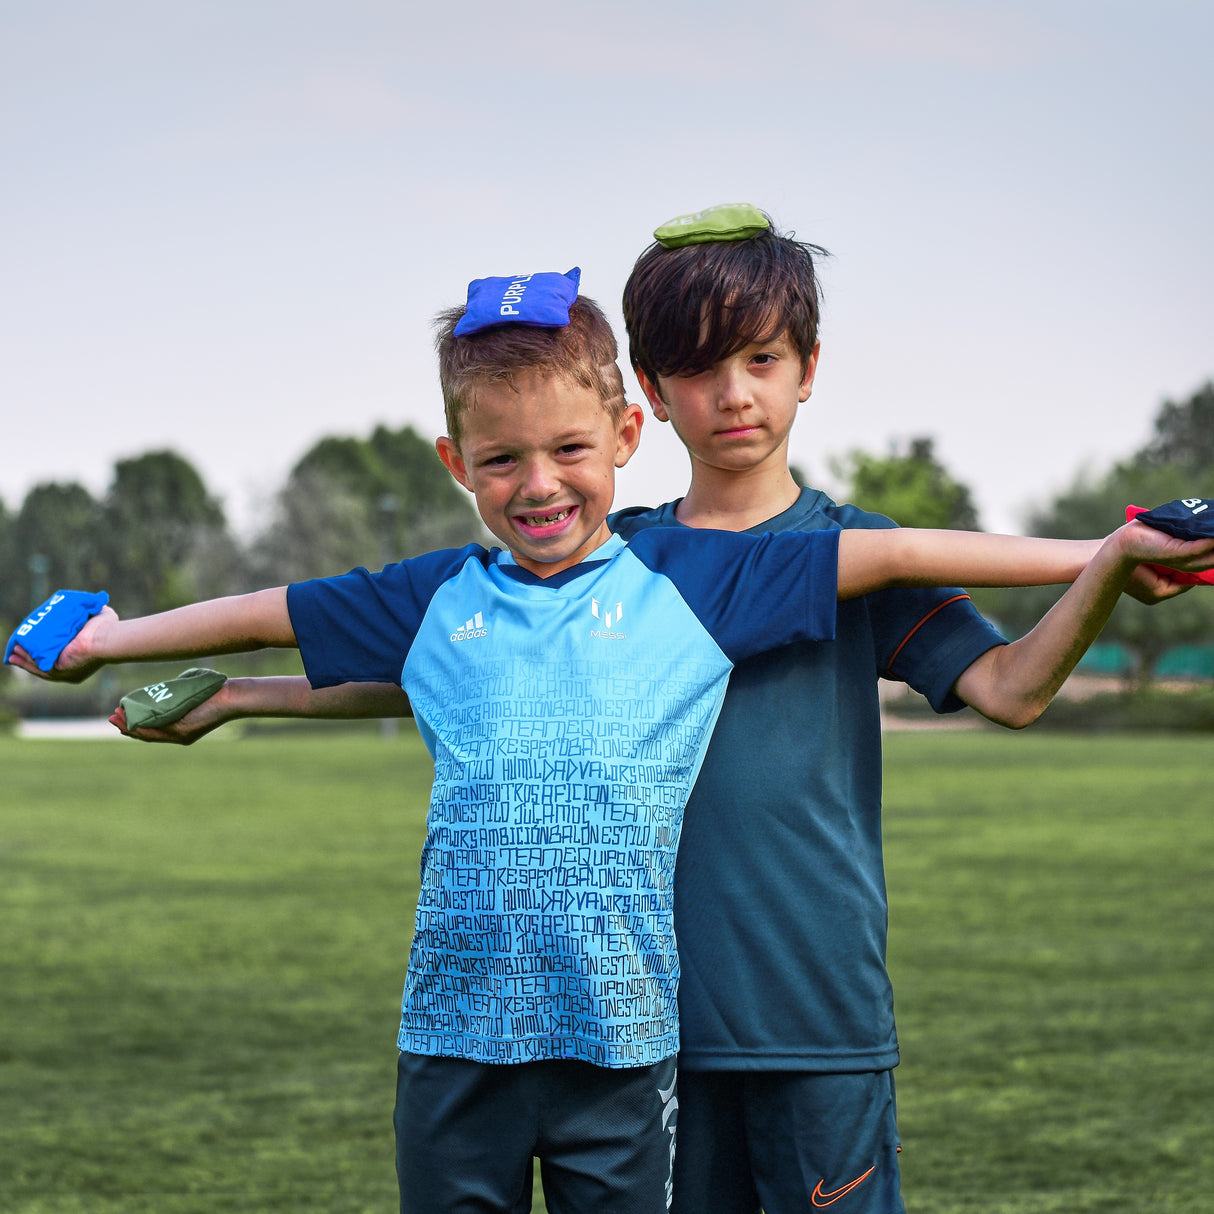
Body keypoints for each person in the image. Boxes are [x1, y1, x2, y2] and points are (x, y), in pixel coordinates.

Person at [12, 264, 1211, 1214]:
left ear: (801, 373)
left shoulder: (741, 568)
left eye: (761, 360)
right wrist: (200, 680)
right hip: (641, 1030)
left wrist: (1109, 553)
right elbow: (442, 673)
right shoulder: (608, 552)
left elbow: (964, 636)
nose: (733, 394)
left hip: (796, 1015)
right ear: (653, 395)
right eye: (700, 367)